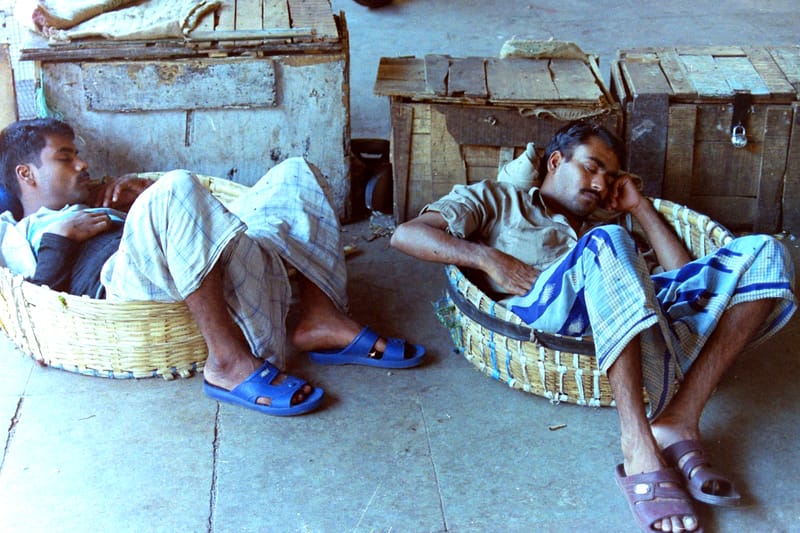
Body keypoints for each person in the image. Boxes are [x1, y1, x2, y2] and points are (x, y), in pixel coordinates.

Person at [390, 120, 796, 532]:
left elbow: (685, 278)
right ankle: (637, 442)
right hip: (547, 307)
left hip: (636, 311)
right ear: (555, 161)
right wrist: (488, 259)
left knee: (766, 251)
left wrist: (639, 208)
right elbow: (407, 235)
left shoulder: (607, 226)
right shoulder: (499, 199)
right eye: (591, 167)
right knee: (608, 241)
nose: (601, 184)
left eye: (610, 177)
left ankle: (679, 419)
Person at [0, 117, 425, 417]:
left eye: (77, 155)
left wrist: (138, 201)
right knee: (176, 188)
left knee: (295, 174)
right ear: (26, 174)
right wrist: (61, 238)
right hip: (119, 287)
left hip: (183, 270)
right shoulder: (22, 231)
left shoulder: (97, 202)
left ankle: (320, 316)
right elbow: (37, 300)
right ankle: (226, 360)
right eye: (65, 158)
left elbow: (181, 225)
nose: (82, 165)